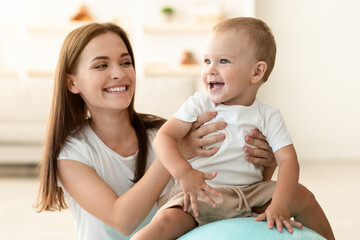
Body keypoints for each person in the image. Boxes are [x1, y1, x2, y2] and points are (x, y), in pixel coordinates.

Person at [33, 22, 277, 240]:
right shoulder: (72, 156)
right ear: (72, 82)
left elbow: (234, 192)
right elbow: (123, 221)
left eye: (125, 62)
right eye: (101, 65)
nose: (119, 73)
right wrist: (176, 153)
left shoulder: (163, 132)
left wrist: (266, 162)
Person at [131, 17, 335, 240]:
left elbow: (287, 160)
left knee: (304, 197)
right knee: (164, 224)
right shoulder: (199, 104)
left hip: (250, 194)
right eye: (207, 61)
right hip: (200, 193)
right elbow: (164, 137)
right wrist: (185, 173)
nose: (210, 70)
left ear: (257, 72)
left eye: (223, 61)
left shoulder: (268, 115)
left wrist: (279, 204)